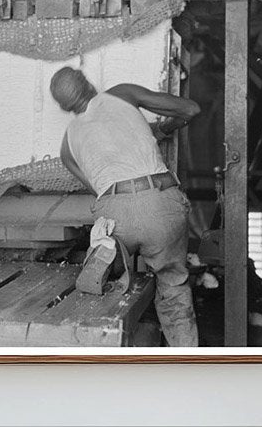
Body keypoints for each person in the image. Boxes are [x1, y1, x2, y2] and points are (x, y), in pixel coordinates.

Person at [50, 66, 201, 347]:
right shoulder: (121, 94)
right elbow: (190, 109)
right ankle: (186, 361)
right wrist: (165, 127)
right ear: (87, 81)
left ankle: (107, 270)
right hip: (160, 203)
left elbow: (99, 190)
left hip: (115, 214)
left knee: (110, 283)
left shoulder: (67, 146)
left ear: (63, 107)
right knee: (173, 287)